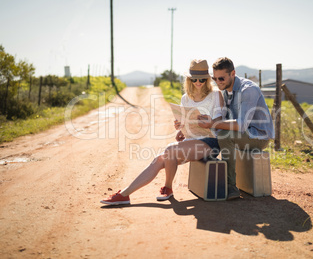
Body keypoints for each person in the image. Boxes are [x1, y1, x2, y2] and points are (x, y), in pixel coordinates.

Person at [101, 59, 224, 205]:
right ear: (189, 79)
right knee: (160, 159)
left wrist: (208, 122)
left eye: (202, 79)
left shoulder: (216, 95)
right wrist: (181, 128)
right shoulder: (186, 98)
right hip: (190, 141)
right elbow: (185, 123)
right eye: (194, 79)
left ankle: (167, 187)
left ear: (208, 79)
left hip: (210, 141)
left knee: (169, 150)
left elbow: (219, 124)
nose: (198, 82)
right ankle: (124, 194)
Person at [198, 57, 274, 200]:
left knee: (225, 135)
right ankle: (214, 177)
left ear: (233, 73)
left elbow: (241, 125)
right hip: (243, 134)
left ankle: (230, 186)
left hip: (258, 136)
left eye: (221, 78)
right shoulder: (225, 91)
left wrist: (213, 124)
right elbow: (221, 121)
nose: (218, 82)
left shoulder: (248, 90)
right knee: (219, 133)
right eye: (215, 78)